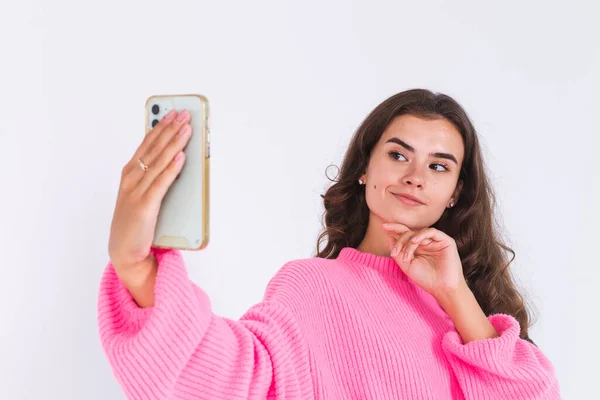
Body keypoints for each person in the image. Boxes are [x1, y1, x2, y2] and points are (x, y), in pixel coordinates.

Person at [98, 89, 561, 399]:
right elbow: (236, 378)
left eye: (439, 167)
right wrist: (137, 267)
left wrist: (454, 293)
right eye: (398, 154)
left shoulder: (468, 309)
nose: (415, 177)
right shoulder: (313, 286)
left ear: (456, 192)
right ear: (365, 168)